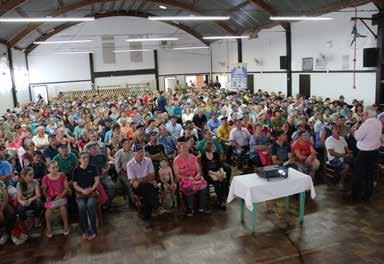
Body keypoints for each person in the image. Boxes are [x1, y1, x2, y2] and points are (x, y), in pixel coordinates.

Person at [352, 106, 382, 201]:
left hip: (364, 153)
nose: (363, 115)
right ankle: (367, 195)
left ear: (367, 114)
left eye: (364, 113)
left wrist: (354, 131)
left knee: (358, 174)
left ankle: (355, 195)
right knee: (370, 175)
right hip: (374, 152)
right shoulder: (378, 123)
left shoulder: (366, 125)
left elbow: (357, 137)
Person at [173, 139, 208, 216]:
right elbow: (177, 175)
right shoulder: (176, 160)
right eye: (183, 148)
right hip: (184, 180)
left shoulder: (193, 157)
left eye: (186, 147)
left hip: (195, 178)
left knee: (203, 186)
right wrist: (187, 178)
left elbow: (198, 170)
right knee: (189, 188)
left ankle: (201, 208)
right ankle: (190, 208)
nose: (185, 149)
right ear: (179, 150)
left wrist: (198, 175)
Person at [126, 145, 162, 221]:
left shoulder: (148, 160)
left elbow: (152, 176)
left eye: (142, 151)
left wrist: (140, 179)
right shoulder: (129, 164)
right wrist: (146, 179)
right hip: (137, 187)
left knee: (147, 189)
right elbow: (134, 183)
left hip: (148, 185)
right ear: (134, 153)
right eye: (139, 152)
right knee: (148, 186)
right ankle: (157, 206)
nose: (141, 154)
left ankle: (147, 215)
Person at [72, 152, 100, 240]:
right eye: (83, 158)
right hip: (81, 194)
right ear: (79, 160)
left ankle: (93, 230)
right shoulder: (76, 170)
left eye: (87, 157)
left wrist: (91, 189)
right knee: (82, 206)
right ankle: (85, 230)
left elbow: (97, 181)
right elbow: (75, 185)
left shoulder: (93, 168)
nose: (85, 159)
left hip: (92, 193)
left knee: (90, 205)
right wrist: (83, 191)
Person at [41, 160, 69, 238]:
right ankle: (49, 227)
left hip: (61, 197)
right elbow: (44, 190)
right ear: (48, 169)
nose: (55, 169)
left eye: (56, 167)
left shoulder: (62, 175)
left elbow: (66, 188)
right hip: (51, 198)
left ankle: (66, 225)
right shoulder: (45, 178)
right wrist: (47, 196)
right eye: (53, 168)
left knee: (62, 208)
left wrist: (60, 196)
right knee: (48, 210)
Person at [200, 141, 227, 210]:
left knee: (223, 180)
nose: (215, 148)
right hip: (209, 174)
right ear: (209, 148)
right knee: (217, 183)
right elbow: (206, 169)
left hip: (217, 171)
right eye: (213, 147)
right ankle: (220, 200)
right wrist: (216, 174)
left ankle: (222, 199)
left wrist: (221, 172)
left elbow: (220, 165)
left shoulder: (216, 154)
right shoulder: (203, 156)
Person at [115, 138, 134, 205]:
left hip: (133, 173)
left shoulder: (132, 152)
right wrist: (125, 174)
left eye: (129, 142)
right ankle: (134, 202)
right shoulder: (119, 153)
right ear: (123, 144)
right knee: (130, 185)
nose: (129, 144)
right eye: (127, 143)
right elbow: (117, 167)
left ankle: (137, 200)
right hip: (123, 173)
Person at [0, 179, 15, 244]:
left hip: (2, 203)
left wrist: (1, 209)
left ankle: (7, 232)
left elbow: (5, 198)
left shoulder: (0, 183)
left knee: (11, 213)